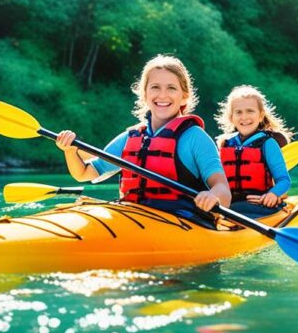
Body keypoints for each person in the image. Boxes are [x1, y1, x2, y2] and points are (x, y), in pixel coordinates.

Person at [53, 54, 231, 224]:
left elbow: (223, 188)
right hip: (133, 214)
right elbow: (84, 173)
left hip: (182, 219)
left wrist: (213, 196)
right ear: (144, 94)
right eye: (155, 87)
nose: (162, 95)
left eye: (171, 88)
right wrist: (70, 151)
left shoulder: (195, 137)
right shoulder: (130, 137)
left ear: (184, 95)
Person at [214, 85, 294, 217]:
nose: (244, 117)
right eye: (238, 112)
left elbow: (284, 180)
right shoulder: (224, 143)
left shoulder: (268, 143)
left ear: (261, 115)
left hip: (259, 207)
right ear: (231, 117)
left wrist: (273, 194)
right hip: (228, 208)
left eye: (250, 111)